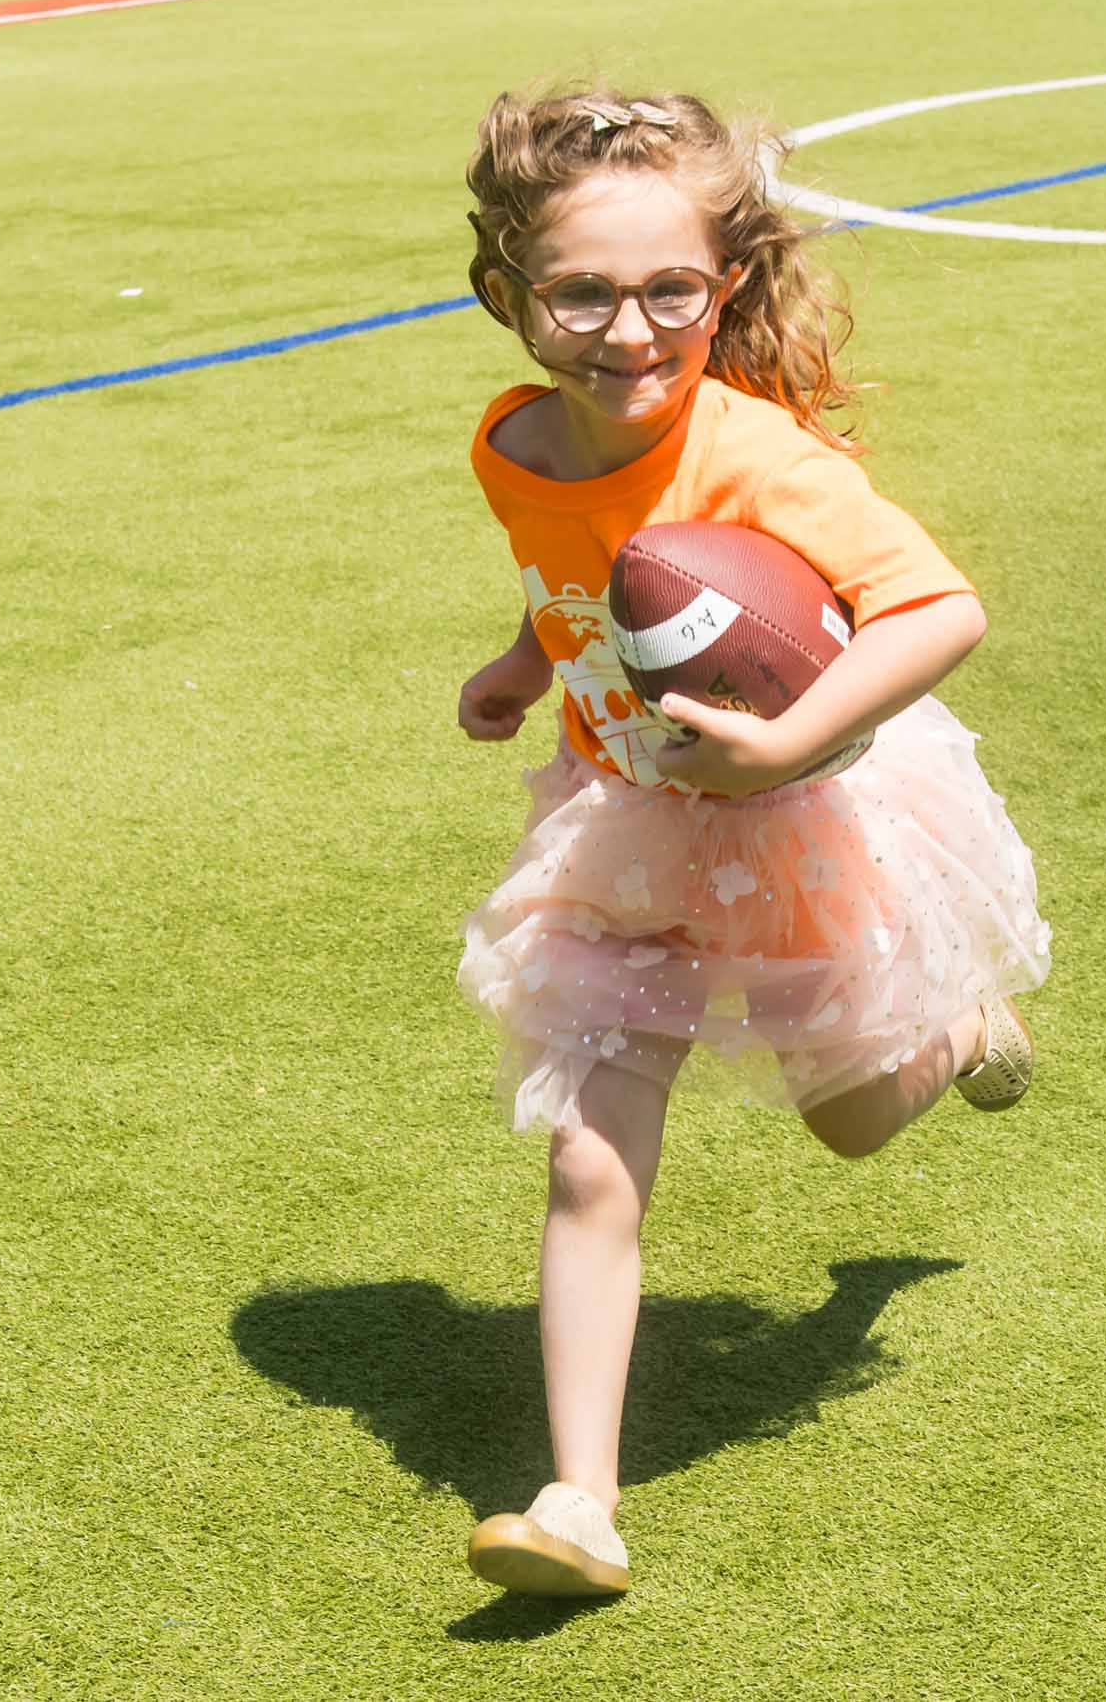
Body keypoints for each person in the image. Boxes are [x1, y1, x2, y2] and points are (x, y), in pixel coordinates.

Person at [451, 85, 1052, 1597]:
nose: (629, 331)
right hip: (620, 828)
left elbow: (940, 607)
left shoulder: (761, 460)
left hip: (793, 817)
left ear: (723, 285)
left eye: (671, 291)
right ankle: (580, 1502)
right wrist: (526, 664)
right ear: (511, 293)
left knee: (849, 1121)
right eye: (582, 294)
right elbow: (572, 568)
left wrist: (784, 744)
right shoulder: (514, 442)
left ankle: (960, 1027)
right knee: (591, 1155)